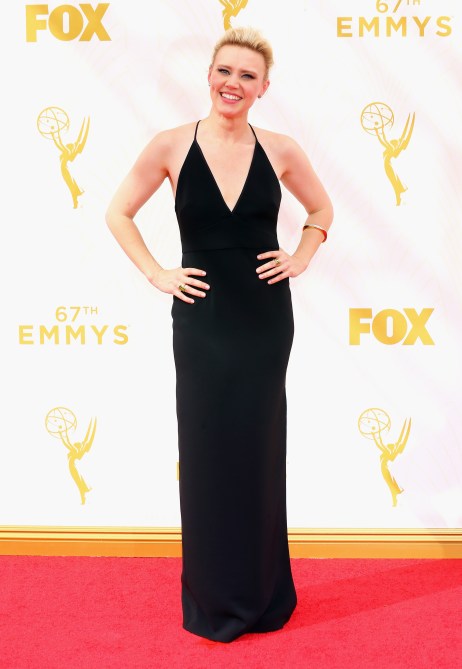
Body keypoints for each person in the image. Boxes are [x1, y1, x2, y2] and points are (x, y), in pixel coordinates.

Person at [105, 26, 333, 643]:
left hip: (263, 320)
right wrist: (157, 273)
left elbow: (321, 210)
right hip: (202, 319)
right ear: (209, 76)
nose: (233, 83)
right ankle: (212, 599)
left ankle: (264, 595)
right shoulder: (170, 145)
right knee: (207, 451)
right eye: (225, 71)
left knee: (259, 450)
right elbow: (118, 212)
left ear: (264, 88)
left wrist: (301, 256)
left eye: (247, 76)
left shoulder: (281, 149)